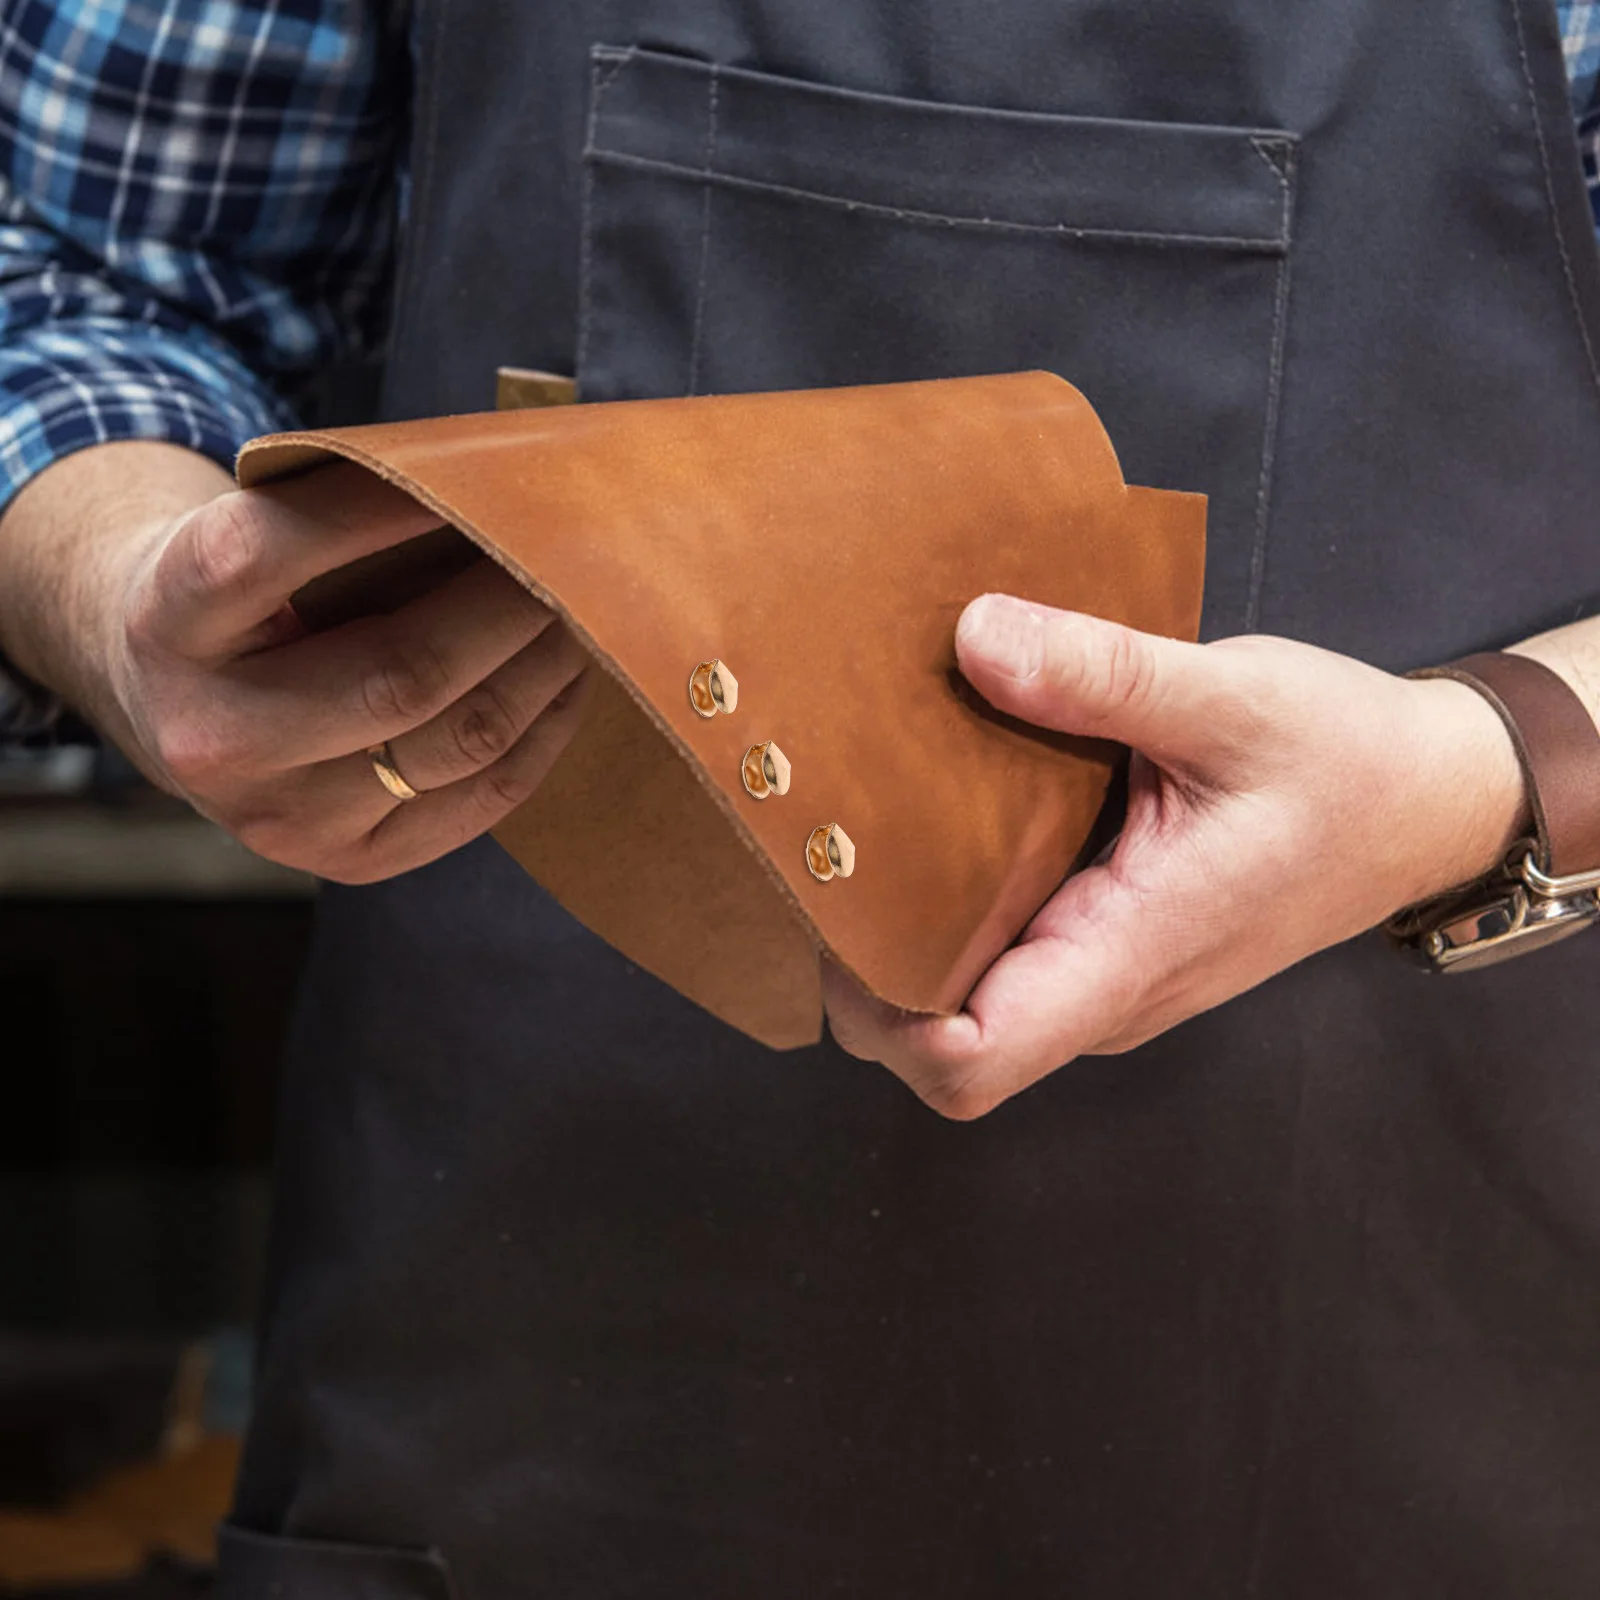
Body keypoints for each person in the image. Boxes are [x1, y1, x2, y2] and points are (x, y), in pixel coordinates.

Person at [4, 0, 1600, 1592]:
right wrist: (130, 591)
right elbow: (72, 281)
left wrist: (1487, 765)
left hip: (1409, 1358)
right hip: (524, 1368)